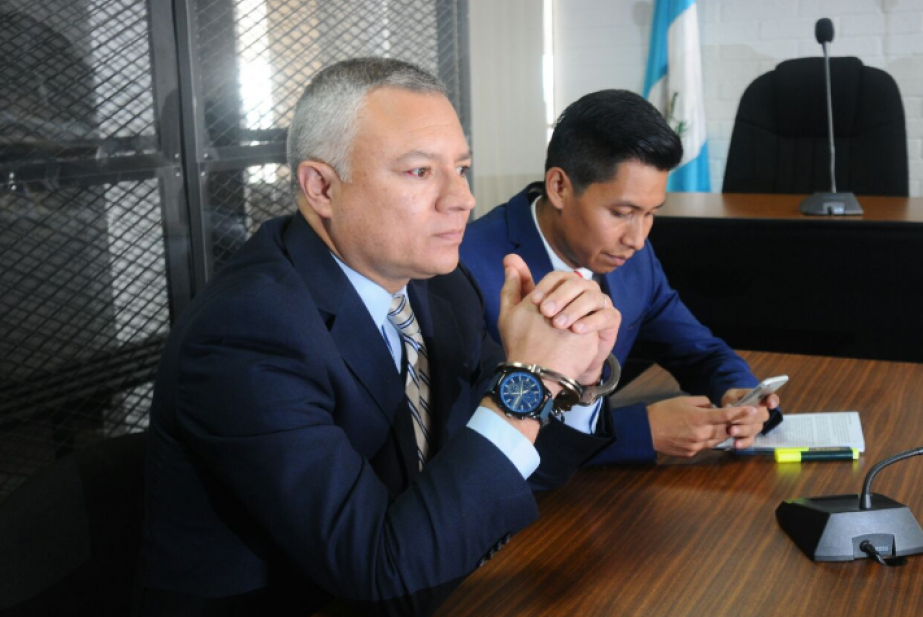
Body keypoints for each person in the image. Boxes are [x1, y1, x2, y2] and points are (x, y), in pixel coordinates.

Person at [135, 58, 623, 617]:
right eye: (420, 172)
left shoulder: (440, 288)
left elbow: (513, 468)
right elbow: (375, 570)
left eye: (461, 168)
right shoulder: (246, 334)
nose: (461, 198)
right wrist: (528, 381)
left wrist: (576, 376)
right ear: (321, 186)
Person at [460, 89, 782, 463]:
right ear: (560, 187)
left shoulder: (632, 257)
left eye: (650, 213)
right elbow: (478, 433)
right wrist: (639, 432)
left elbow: (698, 351)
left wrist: (738, 394)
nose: (638, 238)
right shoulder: (467, 267)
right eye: (622, 212)